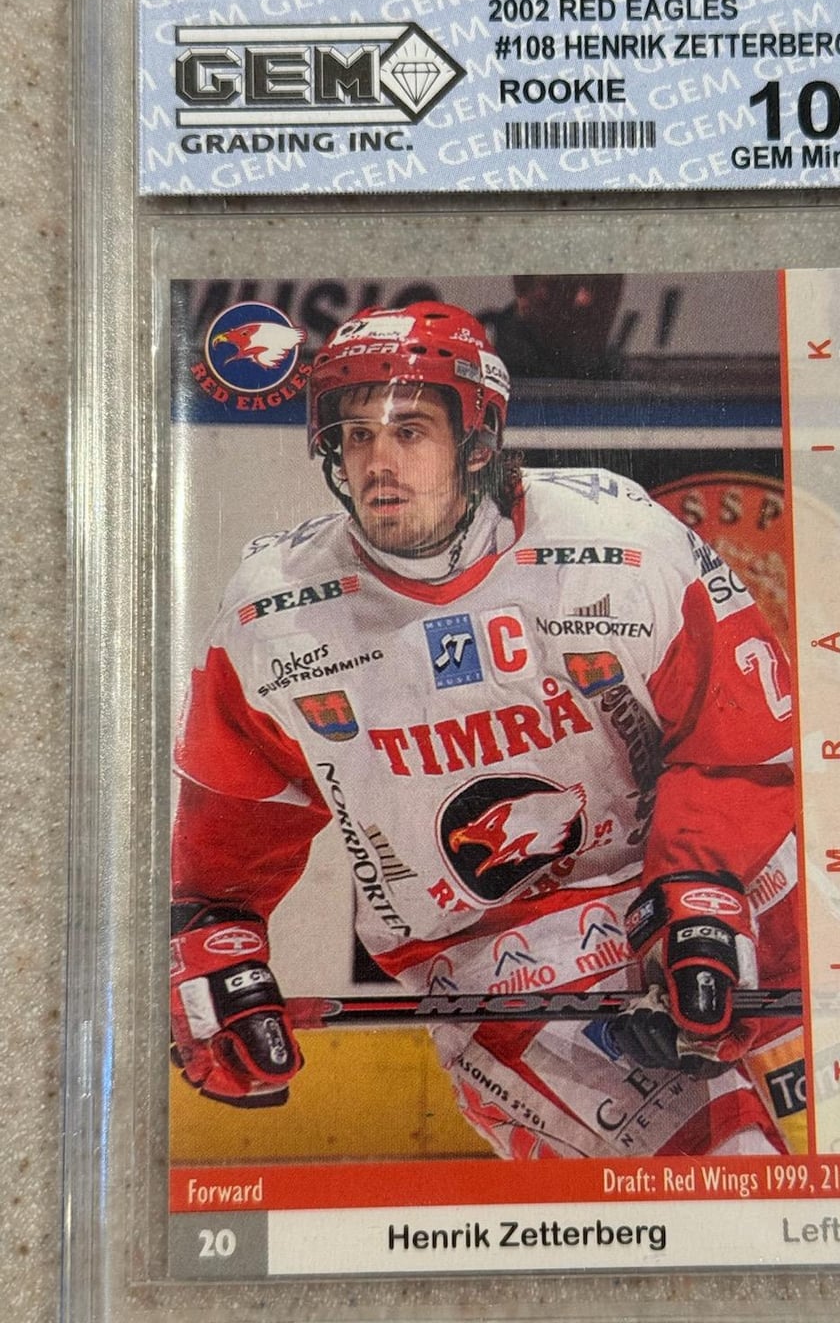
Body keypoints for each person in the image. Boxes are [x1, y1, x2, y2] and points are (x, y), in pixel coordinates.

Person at [169, 300, 803, 1159]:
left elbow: (737, 740)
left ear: (477, 439)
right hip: (505, 970)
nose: (377, 462)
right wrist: (213, 947)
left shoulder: (618, 544)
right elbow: (225, 841)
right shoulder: (274, 614)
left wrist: (698, 889)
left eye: (410, 431)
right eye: (355, 435)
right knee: (731, 1175)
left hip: (712, 882)